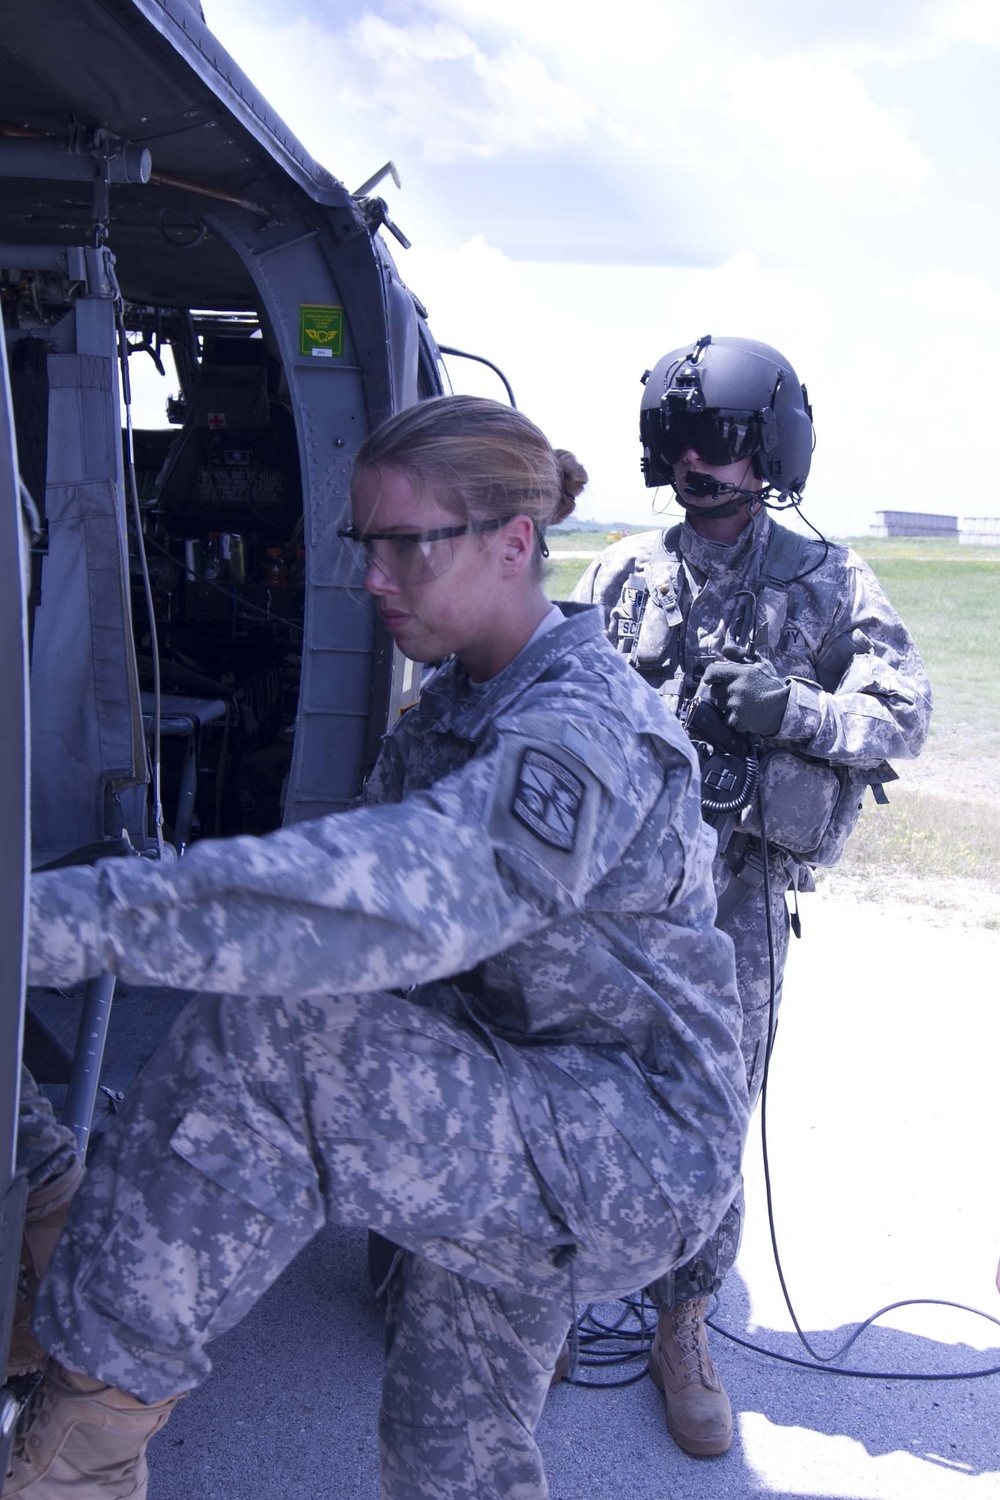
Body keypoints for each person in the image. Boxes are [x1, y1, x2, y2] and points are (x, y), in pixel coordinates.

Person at [7, 395, 749, 1500]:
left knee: (272, 1039)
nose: (374, 577)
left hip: (625, 1149)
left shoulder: (586, 724)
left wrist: (48, 924)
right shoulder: (450, 712)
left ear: (512, 544)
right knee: (452, 1453)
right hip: (511, 1099)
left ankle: (78, 1451)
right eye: (368, 545)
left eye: (408, 543)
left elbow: (396, 905)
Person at [573, 336, 932, 1457]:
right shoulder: (624, 575)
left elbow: (904, 714)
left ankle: (685, 1322)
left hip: (735, 904)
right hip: (616, 898)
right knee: (579, 1079)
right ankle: (564, 1289)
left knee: (712, 1112)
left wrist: (799, 713)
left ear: (769, 451)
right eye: (680, 442)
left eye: (724, 442)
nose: (699, 463)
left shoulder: (827, 582)